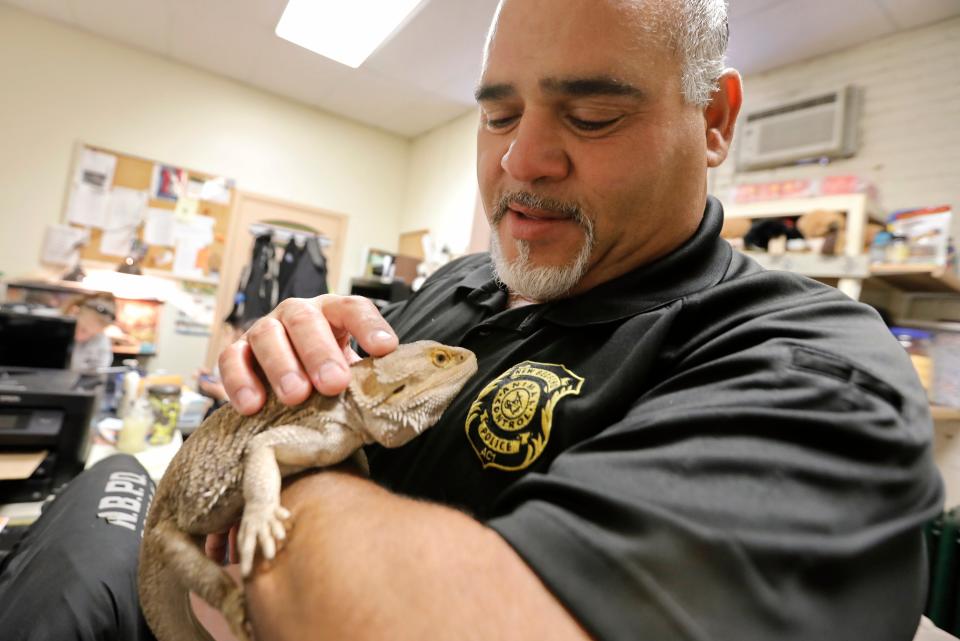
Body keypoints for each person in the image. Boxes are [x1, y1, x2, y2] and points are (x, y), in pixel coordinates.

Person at [211, 1, 943, 640]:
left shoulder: (806, 363)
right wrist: (273, 368)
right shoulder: (456, 282)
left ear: (714, 119)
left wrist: (280, 466)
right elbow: (264, 405)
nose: (521, 159)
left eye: (593, 116)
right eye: (498, 114)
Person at [64, 293, 116, 371]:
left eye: (92, 335)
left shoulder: (102, 342)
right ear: (73, 313)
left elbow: (99, 372)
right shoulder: (54, 329)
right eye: (83, 329)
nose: (81, 337)